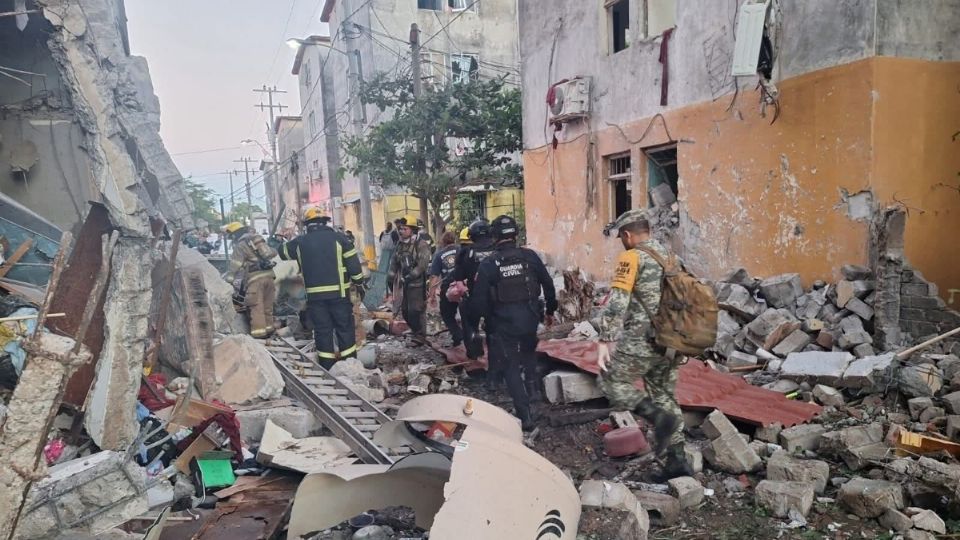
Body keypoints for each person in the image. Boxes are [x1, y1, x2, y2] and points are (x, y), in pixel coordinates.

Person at [596, 209, 691, 480]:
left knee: (609, 383)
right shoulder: (672, 257)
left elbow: (617, 302)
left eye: (621, 237)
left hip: (640, 340)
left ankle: (657, 418)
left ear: (627, 235)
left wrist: (605, 339)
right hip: (671, 341)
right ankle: (678, 463)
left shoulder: (631, 257)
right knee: (665, 395)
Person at [469, 215, 556, 430]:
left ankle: (525, 415)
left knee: (510, 367)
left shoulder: (489, 264)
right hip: (530, 318)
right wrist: (551, 311)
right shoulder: (530, 257)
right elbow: (548, 284)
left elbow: (478, 300)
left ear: (495, 236)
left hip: (503, 323)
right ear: (515, 235)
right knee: (527, 353)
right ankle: (534, 392)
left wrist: (473, 325)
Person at [279, 208, 365, 369]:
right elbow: (354, 267)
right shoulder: (341, 239)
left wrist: (282, 237)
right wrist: (359, 283)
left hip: (315, 298)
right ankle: (350, 365)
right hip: (339, 295)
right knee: (344, 328)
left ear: (307, 225)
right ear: (326, 222)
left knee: (322, 330)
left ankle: (327, 365)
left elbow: (282, 253)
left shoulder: (299, 243)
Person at [452, 219, 497, 365]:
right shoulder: (498, 249)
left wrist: (464, 292)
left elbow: (458, 278)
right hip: (496, 297)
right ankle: (494, 357)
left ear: (471, 235)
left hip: (474, 296)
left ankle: (474, 351)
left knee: (469, 322)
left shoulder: (465, 252)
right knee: (493, 328)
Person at [224, 221, 278, 338]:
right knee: (268, 306)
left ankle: (259, 336)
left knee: (256, 307)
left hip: (255, 279)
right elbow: (271, 253)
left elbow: (235, 266)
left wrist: (228, 281)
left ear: (234, 235)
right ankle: (270, 330)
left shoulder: (240, 246)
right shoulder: (256, 238)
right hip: (269, 276)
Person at [387, 215, 432, 344]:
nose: (401, 231)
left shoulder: (421, 244)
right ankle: (414, 330)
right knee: (405, 311)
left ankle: (420, 335)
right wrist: (391, 275)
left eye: (404, 229)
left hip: (417, 284)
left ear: (412, 230)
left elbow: (423, 264)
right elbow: (394, 261)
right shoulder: (400, 245)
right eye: (400, 229)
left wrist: (411, 275)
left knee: (416, 310)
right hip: (404, 284)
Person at [429, 231, 462, 346]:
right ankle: (468, 336)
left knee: (447, 314)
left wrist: (431, 295)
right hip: (464, 285)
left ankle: (457, 335)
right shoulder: (462, 250)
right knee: (467, 313)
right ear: (455, 240)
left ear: (443, 242)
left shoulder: (439, 255)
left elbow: (434, 277)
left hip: (448, 288)